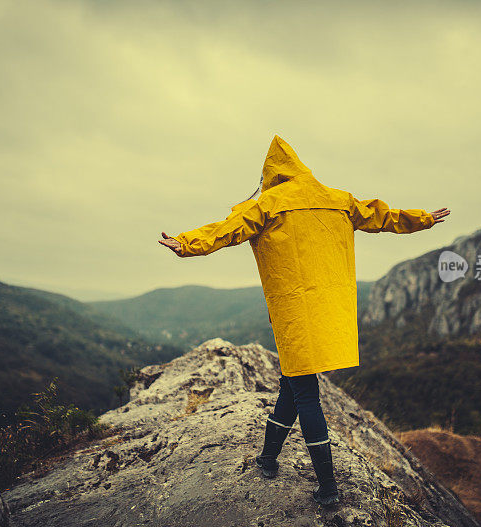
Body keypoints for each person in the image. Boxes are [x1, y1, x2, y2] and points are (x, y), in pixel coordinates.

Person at [159, 135, 450, 506]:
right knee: (292, 385)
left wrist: (186, 243)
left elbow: (225, 230)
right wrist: (423, 219)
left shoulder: (269, 202)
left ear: (271, 174)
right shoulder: (338, 199)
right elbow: (383, 216)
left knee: (306, 394)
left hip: (295, 315)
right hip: (328, 311)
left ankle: (328, 488)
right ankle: (267, 458)